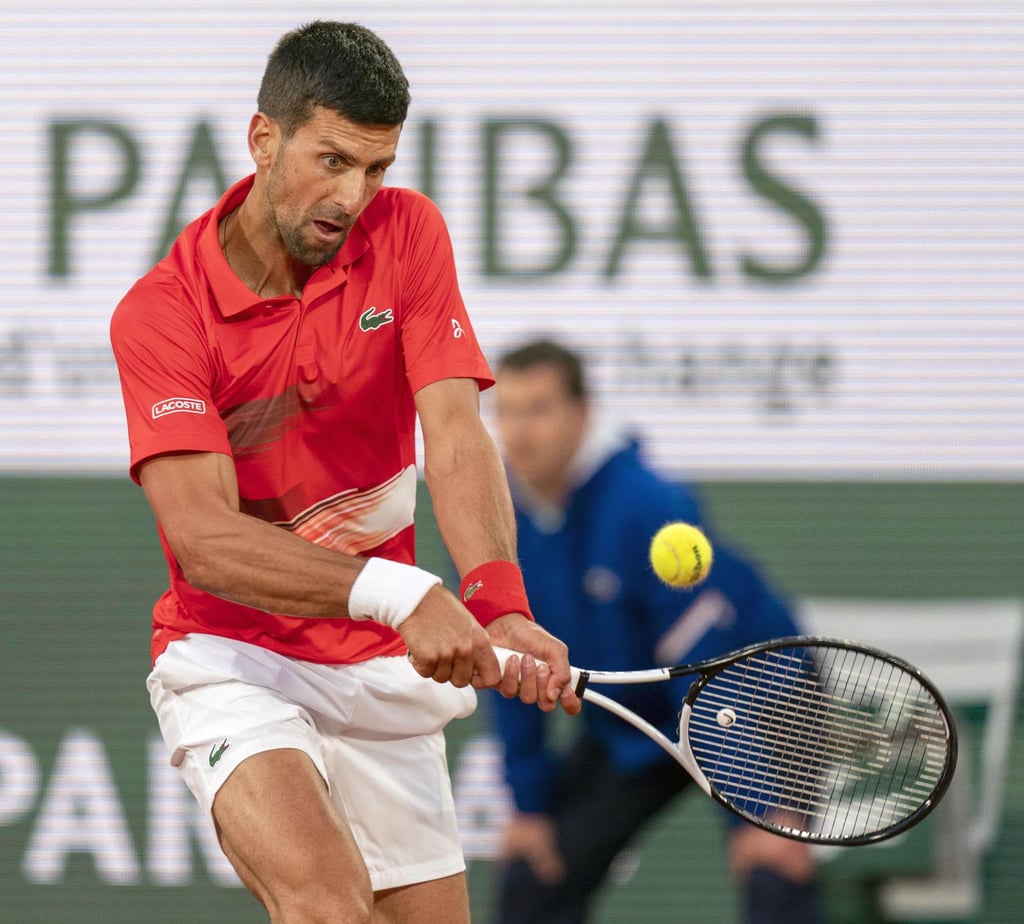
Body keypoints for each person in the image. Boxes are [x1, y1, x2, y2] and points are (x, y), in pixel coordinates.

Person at [109, 23, 580, 924]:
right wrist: (402, 594)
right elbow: (203, 542)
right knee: (328, 905)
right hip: (233, 661)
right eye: (330, 161)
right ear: (263, 140)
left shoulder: (406, 236)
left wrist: (497, 598)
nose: (352, 195)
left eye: (375, 168)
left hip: (379, 673)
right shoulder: (163, 315)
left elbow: (455, 435)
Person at [488, 338, 825, 924]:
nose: (520, 432)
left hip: (758, 699)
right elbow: (508, 666)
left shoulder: (648, 504)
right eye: (507, 411)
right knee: (535, 878)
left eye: (538, 409)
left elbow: (712, 669)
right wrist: (530, 806)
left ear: (582, 413)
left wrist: (757, 809)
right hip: (640, 720)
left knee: (772, 871)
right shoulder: (499, 518)